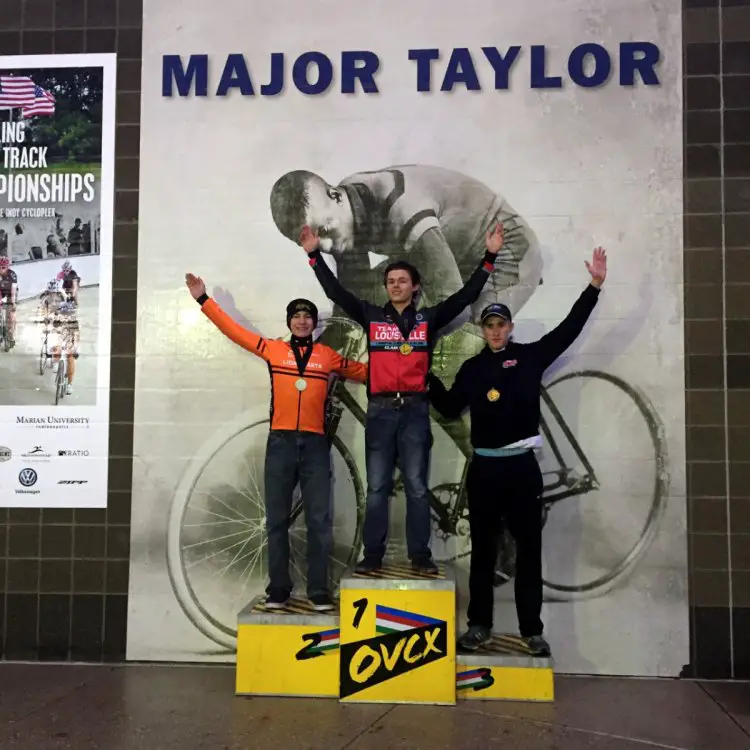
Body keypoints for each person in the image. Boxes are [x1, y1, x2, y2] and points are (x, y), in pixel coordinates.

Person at [428, 247, 608, 657]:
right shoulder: (472, 370)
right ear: (484, 328)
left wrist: (594, 286)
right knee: (483, 553)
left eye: (500, 325)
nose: (494, 331)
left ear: (510, 327)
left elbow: (568, 330)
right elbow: (451, 405)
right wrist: (423, 375)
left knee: (529, 552)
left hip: (523, 469)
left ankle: (532, 631)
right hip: (485, 471)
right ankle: (479, 627)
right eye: (489, 325)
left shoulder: (530, 357)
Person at [299, 222, 504, 575]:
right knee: (377, 488)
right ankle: (373, 556)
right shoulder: (371, 315)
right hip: (379, 411)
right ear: (386, 287)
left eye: (402, 281)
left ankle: (420, 556)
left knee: (417, 488)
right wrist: (314, 256)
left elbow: (466, 296)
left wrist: (490, 257)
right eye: (391, 281)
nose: (396, 285)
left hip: (414, 411)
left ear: (415, 286)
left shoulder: (429, 318)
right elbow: (336, 290)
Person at [184, 272, 369, 611]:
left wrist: (407, 366)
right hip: (281, 443)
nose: (301, 320)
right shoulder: (273, 350)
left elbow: (366, 372)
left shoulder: (326, 356)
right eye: (296, 316)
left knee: (318, 521)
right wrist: (203, 300)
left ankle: (318, 591)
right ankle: (279, 591)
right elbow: (235, 332)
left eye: (307, 315)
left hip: (314, 445)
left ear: (314, 322)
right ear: (289, 321)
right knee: (277, 521)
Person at [270, 165, 542, 324]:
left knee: (467, 340)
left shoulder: (402, 207)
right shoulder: (344, 211)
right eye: (316, 240)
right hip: (449, 251)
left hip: (505, 250)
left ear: (335, 196)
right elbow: (355, 297)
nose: (329, 246)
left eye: (326, 230)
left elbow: (452, 302)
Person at [50, 300, 79, 395]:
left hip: (70, 341)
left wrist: (75, 348)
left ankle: (70, 384)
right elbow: (54, 333)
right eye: (64, 313)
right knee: (56, 347)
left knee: (71, 359)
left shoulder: (74, 321)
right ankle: (56, 362)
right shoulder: (57, 319)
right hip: (60, 339)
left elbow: (76, 337)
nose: (66, 316)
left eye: (68, 313)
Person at [0, 257, 18, 347]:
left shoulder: (12, 274)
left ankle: (12, 334)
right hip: (1, 291)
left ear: (7, 267)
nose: (1, 269)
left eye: (3, 267)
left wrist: (13, 302)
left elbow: (13, 290)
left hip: (11, 292)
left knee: (11, 314)